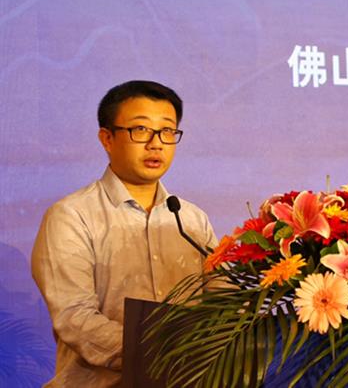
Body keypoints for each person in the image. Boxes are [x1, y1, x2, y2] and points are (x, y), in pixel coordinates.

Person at [31, 80, 217, 387]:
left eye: (167, 131)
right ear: (107, 138)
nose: (156, 144)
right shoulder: (71, 216)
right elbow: (75, 318)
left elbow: (222, 301)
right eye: (140, 130)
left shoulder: (192, 219)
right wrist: (165, 354)